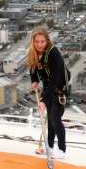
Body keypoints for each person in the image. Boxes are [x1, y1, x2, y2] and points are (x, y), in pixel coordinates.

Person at [28, 27, 68, 158]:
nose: (39, 45)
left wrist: (44, 101)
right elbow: (33, 67)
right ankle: (49, 147)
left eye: (42, 41)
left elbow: (55, 79)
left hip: (58, 90)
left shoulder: (54, 53)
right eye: (37, 42)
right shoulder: (33, 52)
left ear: (47, 41)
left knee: (56, 119)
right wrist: (34, 80)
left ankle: (61, 150)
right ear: (33, 42)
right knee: (50, 121)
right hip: (48, 89)